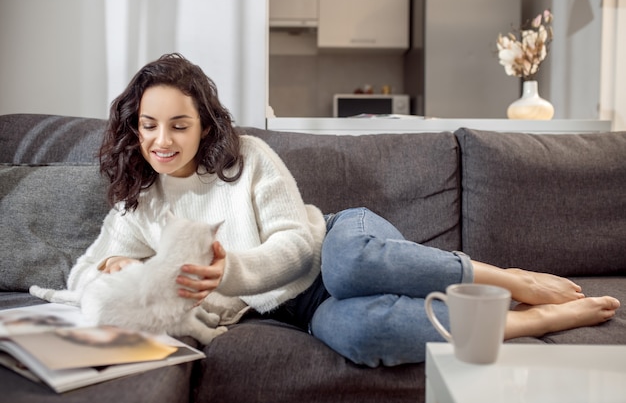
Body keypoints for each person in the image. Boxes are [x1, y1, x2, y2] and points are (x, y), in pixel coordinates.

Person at [34, 53, 620, 367]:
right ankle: (534, 322)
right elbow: (82, 273)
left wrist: (228, 271)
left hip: (336, 244)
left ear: (205, 124)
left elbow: (294, 244)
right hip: (296, 312)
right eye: (149, 126)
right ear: (134, 130)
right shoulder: (140, 204)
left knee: (351, 268)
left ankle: (511, 280)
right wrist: (109, 271)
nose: (162, 140)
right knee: (367, 336)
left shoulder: (249, 159)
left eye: (178, 125)